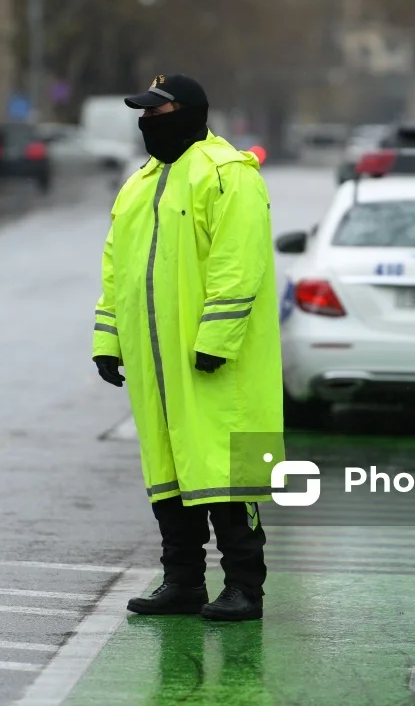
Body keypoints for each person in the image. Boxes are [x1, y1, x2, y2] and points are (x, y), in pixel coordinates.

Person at [91, 73, 285, 622]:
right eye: (144, 113)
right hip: (158, 364)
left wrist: (216, 339)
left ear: (191, 112)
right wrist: (108, 339)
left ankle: (245, 586)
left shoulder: (229, 175)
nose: (149, 121)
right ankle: (183, 582)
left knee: (228, 473)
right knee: (171, 472)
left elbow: (238, 264)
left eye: (159, 111)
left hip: (220, 365)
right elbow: (116, 271)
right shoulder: (139, 185)